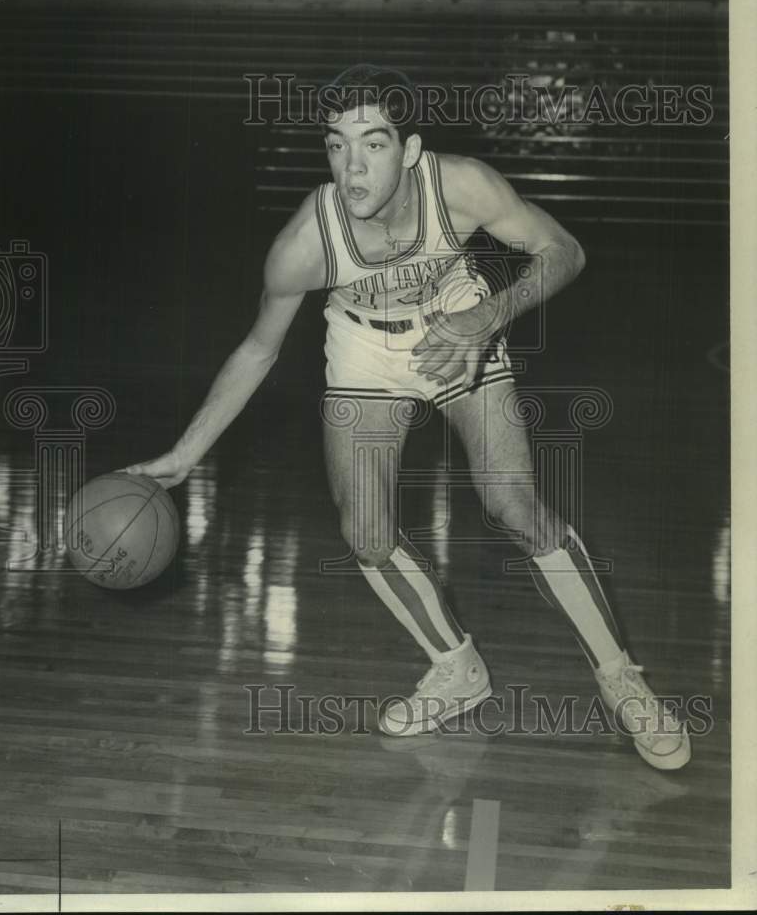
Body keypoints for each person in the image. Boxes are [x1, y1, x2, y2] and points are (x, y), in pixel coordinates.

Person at [126, 64, 690, 771]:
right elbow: (257, 352)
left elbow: (563, 251)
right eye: (336, 145)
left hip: (459, 326)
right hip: (363, 347)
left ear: (412, 150)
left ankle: (618, 677)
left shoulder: (459, 183)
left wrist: (487, 317)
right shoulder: (306, 240)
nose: (352, 165)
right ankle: (455, 667)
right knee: (363, 533)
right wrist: (184, 454)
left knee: (513, 505)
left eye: (373, 142)